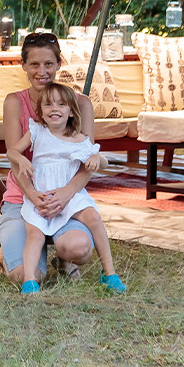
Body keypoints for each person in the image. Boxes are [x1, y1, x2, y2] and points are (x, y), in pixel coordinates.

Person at [0, 32, 95, 284]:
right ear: (23, 65)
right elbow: (15, 160)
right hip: (24, 197)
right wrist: (32, 195)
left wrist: (67, 192)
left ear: (59, 64)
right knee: (24, 277)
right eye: (34, 64)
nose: (42, 71)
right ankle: (5, 251)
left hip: (65, 197)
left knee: (79, 249)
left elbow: (87, 163)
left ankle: (63, 256)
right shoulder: (15, 102)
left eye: (48, 64)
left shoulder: (81, 104)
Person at [10, 82, 126, 294]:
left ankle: (109, 273)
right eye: (48, 105)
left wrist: (95, 158)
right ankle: (29, 281)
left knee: (93, 217)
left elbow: (102, 160)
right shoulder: (37, 131)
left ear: (72, 111)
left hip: (69, 195)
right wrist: (22, 160)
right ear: (41, 112)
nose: (55, 108)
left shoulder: (79, 139)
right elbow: (12, 152)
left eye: (61, 104)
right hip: (42, 195)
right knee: (35, 235)